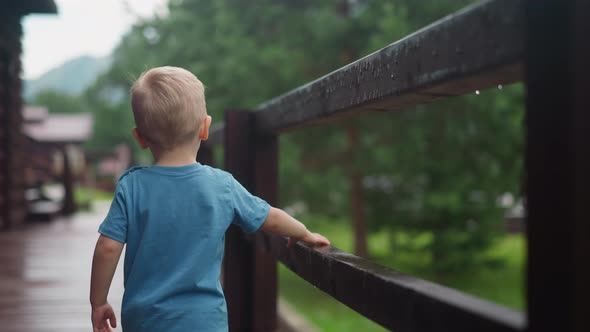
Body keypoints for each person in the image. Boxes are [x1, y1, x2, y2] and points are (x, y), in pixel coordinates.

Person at [89, 66, 330, 332]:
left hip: (145, 320)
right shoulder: (221, 185)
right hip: (203, 321)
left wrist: (98, 302)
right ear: (205, 128)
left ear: (140, 138)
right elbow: (268, 217)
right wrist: (303, 232)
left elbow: (108, 248)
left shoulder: (131, 186)